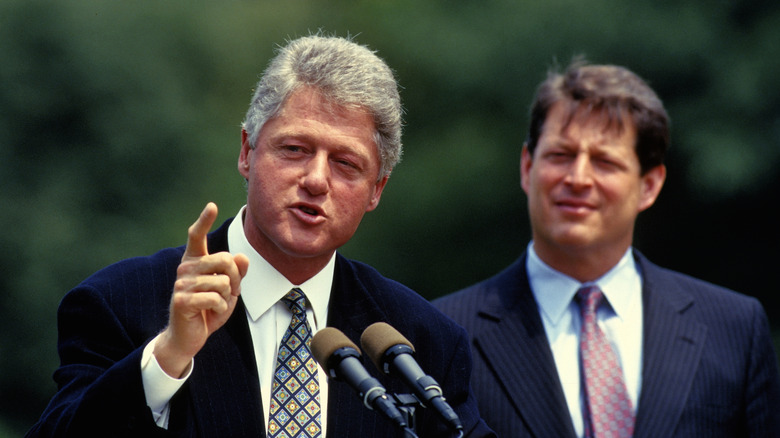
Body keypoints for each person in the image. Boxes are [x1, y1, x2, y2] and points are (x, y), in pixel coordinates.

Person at [27, 34, 494, 438]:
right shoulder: (122, 304)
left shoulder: (420, 341)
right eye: (294, 149)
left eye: (345, 164)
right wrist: (169, 356)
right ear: (247, 152)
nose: (315, 179)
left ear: (376, 191)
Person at [434, 59, 780, 437]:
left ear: (649, 185)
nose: (578, 178)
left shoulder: (732, 329)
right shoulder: (444, 334)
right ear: (526, 167)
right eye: (560, 155)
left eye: (605, 162)